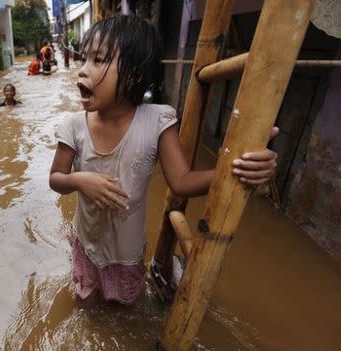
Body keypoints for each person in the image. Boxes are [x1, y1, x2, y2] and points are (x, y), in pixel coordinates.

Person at [49, 16, 278, 305]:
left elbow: (182, 182)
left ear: (132, 74)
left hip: (126, 254)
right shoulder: (73, 125)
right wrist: (80, 181)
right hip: (86, 242)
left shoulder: (157, 120)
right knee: (85, 302)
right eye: (84, 59)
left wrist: (236, 167)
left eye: (98, 60)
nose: (81, 71)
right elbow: (56, 178)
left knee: (124, 310)